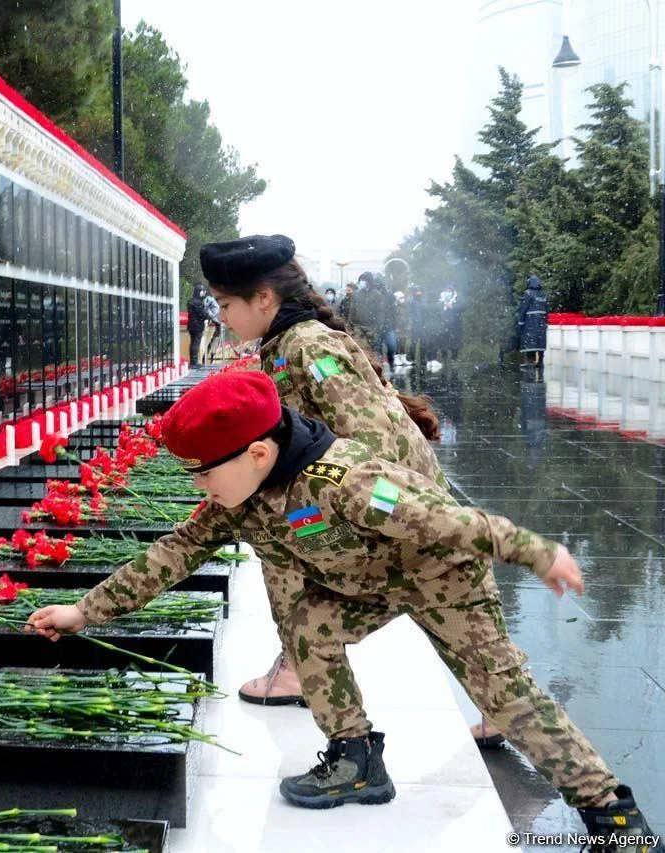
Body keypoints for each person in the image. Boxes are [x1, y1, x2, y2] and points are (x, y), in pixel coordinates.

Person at [27, 371, 659, 847]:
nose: (200, 487)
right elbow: (174, 553)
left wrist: (537, 551)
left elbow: (445, 521)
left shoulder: (347, 481)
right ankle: (357, 758)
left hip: (440, 576)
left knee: (504, 693)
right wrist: (84, 612)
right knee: (308, 626)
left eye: (203, 473)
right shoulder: (239, 496)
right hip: (367, 582)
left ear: (257, 453)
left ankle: (609, 808)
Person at [185, 235, 502, 749]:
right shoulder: (289, 342)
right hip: (378, 498)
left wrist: (359, 506)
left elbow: (371, 432)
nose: (222, 318)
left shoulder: (308, 346)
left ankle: (297, 672)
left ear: (263, 299)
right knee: (446, 608)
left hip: (386, 502)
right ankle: (500, 707)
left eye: (225, 305)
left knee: (436, 601)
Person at [518, 275, 548, 366]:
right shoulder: (543, 294)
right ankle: (540, 361)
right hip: (541, 321)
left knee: (529, 340)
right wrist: (546, 320)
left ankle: (530, 360)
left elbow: (524, 307)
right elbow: (547, 308)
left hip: (530, 321)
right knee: (540, 340)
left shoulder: (528, 293)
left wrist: (521, 320)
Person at [186, 285, 208, 364]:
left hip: (191, 325)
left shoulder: (190, 301)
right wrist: (207, 315)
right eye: (203, 292)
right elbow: (203, 314)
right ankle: (194, 360)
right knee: (196, 342)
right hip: (198, 326)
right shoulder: (199, 302)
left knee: (193, 342)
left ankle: (193, 359)